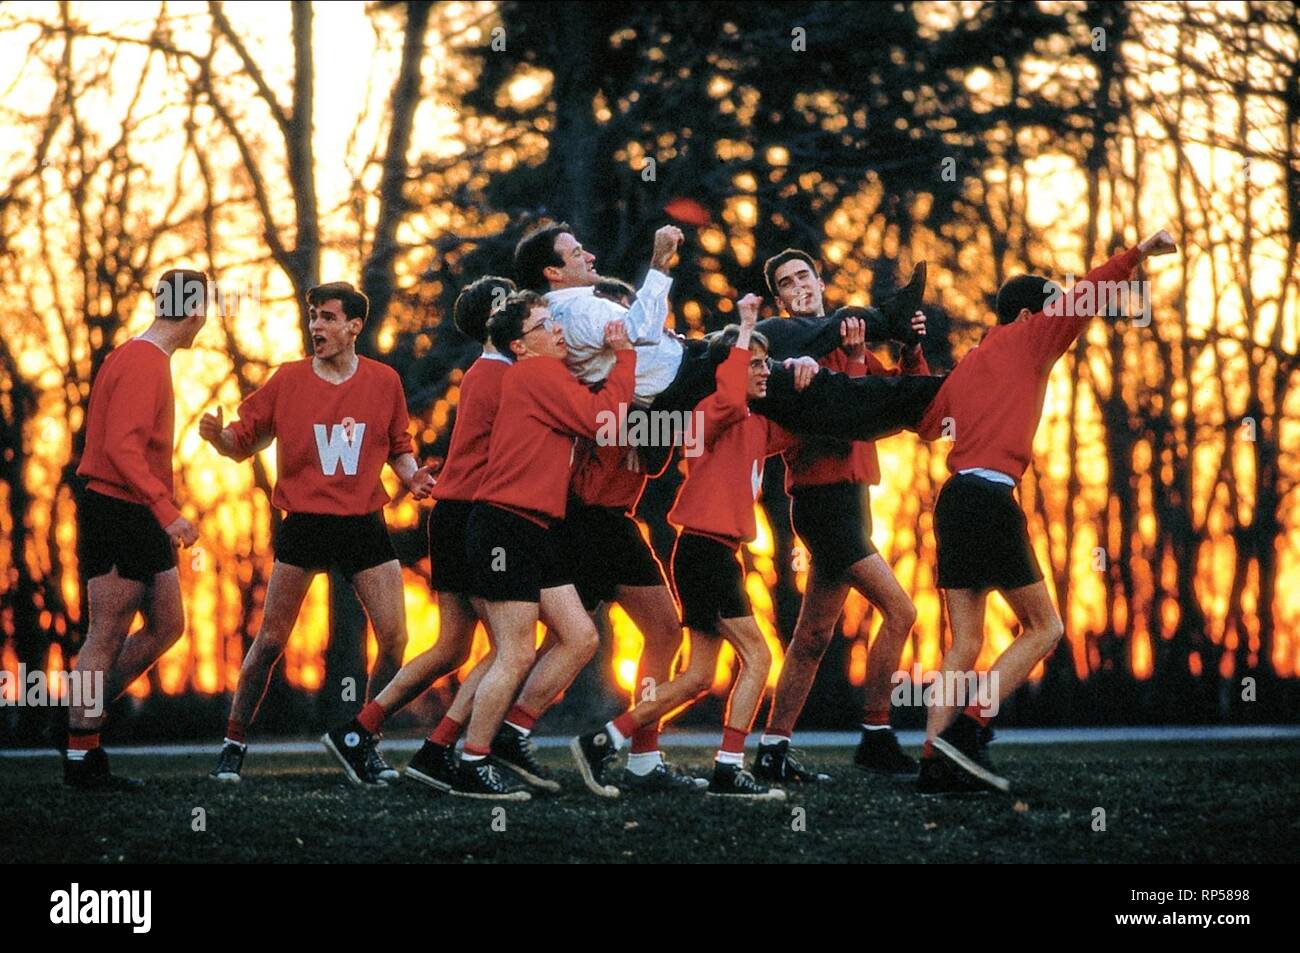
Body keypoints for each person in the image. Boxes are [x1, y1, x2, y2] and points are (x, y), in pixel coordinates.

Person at [915, 230, 1177, 795]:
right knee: (1045, 627)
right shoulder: (1031, 337)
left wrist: (912, 357)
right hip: (988, 498)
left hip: (953, 499)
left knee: (963, 642)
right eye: (1051, 304)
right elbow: (1089, 293)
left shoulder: (969, 362)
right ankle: (971, 728)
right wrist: (1138, 254)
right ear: (1033, 312)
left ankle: (934, 760)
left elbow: (928, 424)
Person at [202, 282, 435, 785]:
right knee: (269, 642)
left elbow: (399, 446)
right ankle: (233, 745)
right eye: (313, 317)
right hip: (304, 525)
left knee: (395, 638)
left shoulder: (384, 381)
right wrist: (219, 438)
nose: (316, 327)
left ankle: (363, 742)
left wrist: (412, 476)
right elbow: (242, 443)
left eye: (328, 318)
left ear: (354, 327)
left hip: (362, 525)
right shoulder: (286, 380)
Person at [570, 294, 799, 800]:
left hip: (722, 554)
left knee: (697, 676)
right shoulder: (713, 412)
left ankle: (602, 741)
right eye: (755, 363)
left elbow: (812, 422)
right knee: (758, 657)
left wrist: (815, 367)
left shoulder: (758, 424)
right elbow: (733, 392)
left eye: (766, 364)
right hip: (704, 553)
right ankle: (729, 767)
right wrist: (744, 326)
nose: (764, 371)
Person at [317, 276, 514, 793]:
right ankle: (441, 750)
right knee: (508, 647)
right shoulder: (502, 375)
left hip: (454, 513)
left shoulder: (488, 371)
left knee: (452, 646)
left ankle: (361, 731)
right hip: (473, 515)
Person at [515, 221, 940, 452]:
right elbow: (640, 332)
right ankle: (927, 394)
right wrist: (660, 262)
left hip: (688, 365)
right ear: (553, 272)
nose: (588, 255)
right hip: (685, 382)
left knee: (791, 358)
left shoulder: (569, 307)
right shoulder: (576, 308)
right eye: (575, 253)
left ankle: (900, 350)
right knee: (803, 378)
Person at [449, 291, 637, 800]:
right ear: (520, 345)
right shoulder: (535, 374)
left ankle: (512, 730)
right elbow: (605, 420)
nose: (557, 329)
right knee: (515, 653)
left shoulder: (550, 376)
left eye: (554, 320)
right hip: (504, 528)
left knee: (580, 636)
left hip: (536, 528)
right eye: (543, 325)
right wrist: (626, 357)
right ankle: (472, 760)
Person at [754, 249, 930, 783]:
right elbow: (845, 419)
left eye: (804, 276)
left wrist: (911, 342)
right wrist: (854, 359)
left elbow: (902, 401)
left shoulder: (841, 340)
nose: (798, 286)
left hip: (856, 503)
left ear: (820, 281)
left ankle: (772, 751)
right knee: (901, 612)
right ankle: (876, 735)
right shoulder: (786, 357)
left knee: (811, 640)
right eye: (786, 283)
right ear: (779, 300)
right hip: (822, 504)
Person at [66, 269, 208, 789]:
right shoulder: (143, 361)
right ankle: (82, 753)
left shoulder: (146, 359)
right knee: (105, 632)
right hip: (116, 510)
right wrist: (167, 512)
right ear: (193, 312)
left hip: (140, 513)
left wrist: (160, 510)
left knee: (169, 624)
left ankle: (86, 718)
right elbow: (122, 450)